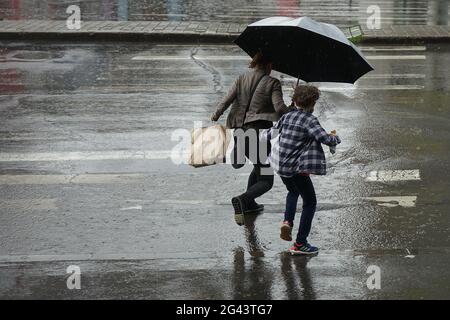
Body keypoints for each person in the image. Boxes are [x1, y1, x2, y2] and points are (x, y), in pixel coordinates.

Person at [211, 52, 293, 225]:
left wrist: (216, 114)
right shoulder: (272, 82)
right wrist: (292, 110)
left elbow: (227, 100)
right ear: (269, 65)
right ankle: (243, 199)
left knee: (258, 166)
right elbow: (279, 107)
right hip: (257, 133)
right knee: (266, 179)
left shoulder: (241, 78)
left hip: (238, 130)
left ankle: (250, 203)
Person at [263, 85, 341, 255]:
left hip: (281, 166)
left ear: (295, 100)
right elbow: (324, 138)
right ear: (312, 103)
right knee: (310, 202)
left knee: (292, 192)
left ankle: (287, 222)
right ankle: (300, 244)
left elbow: (270, 134)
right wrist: (335, 138)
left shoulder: (288, 116)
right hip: (296, 167)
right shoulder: (310, 120)